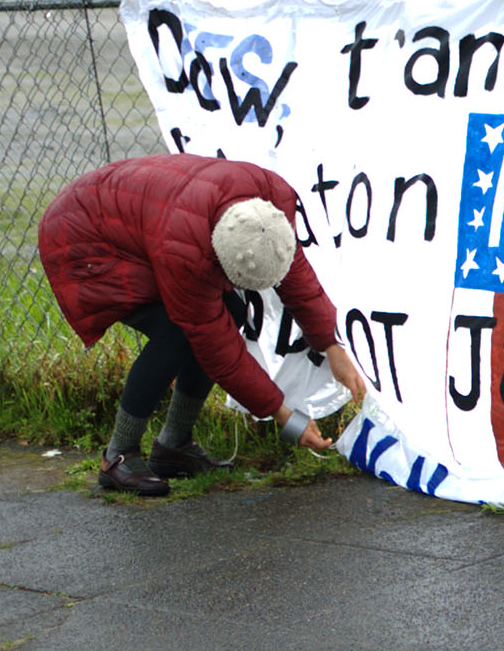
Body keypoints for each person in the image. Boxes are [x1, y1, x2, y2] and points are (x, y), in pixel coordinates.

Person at [38, 154, 367, 496]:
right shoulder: (185, 250)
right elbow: (218, 350)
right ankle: (118, 456)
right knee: (175, 333)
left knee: (233, 314)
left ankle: (173, 446)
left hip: (136, 215)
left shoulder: (269, 213)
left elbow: (298, 280)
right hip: (82, 236)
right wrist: (285, 416)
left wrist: (331, 345)